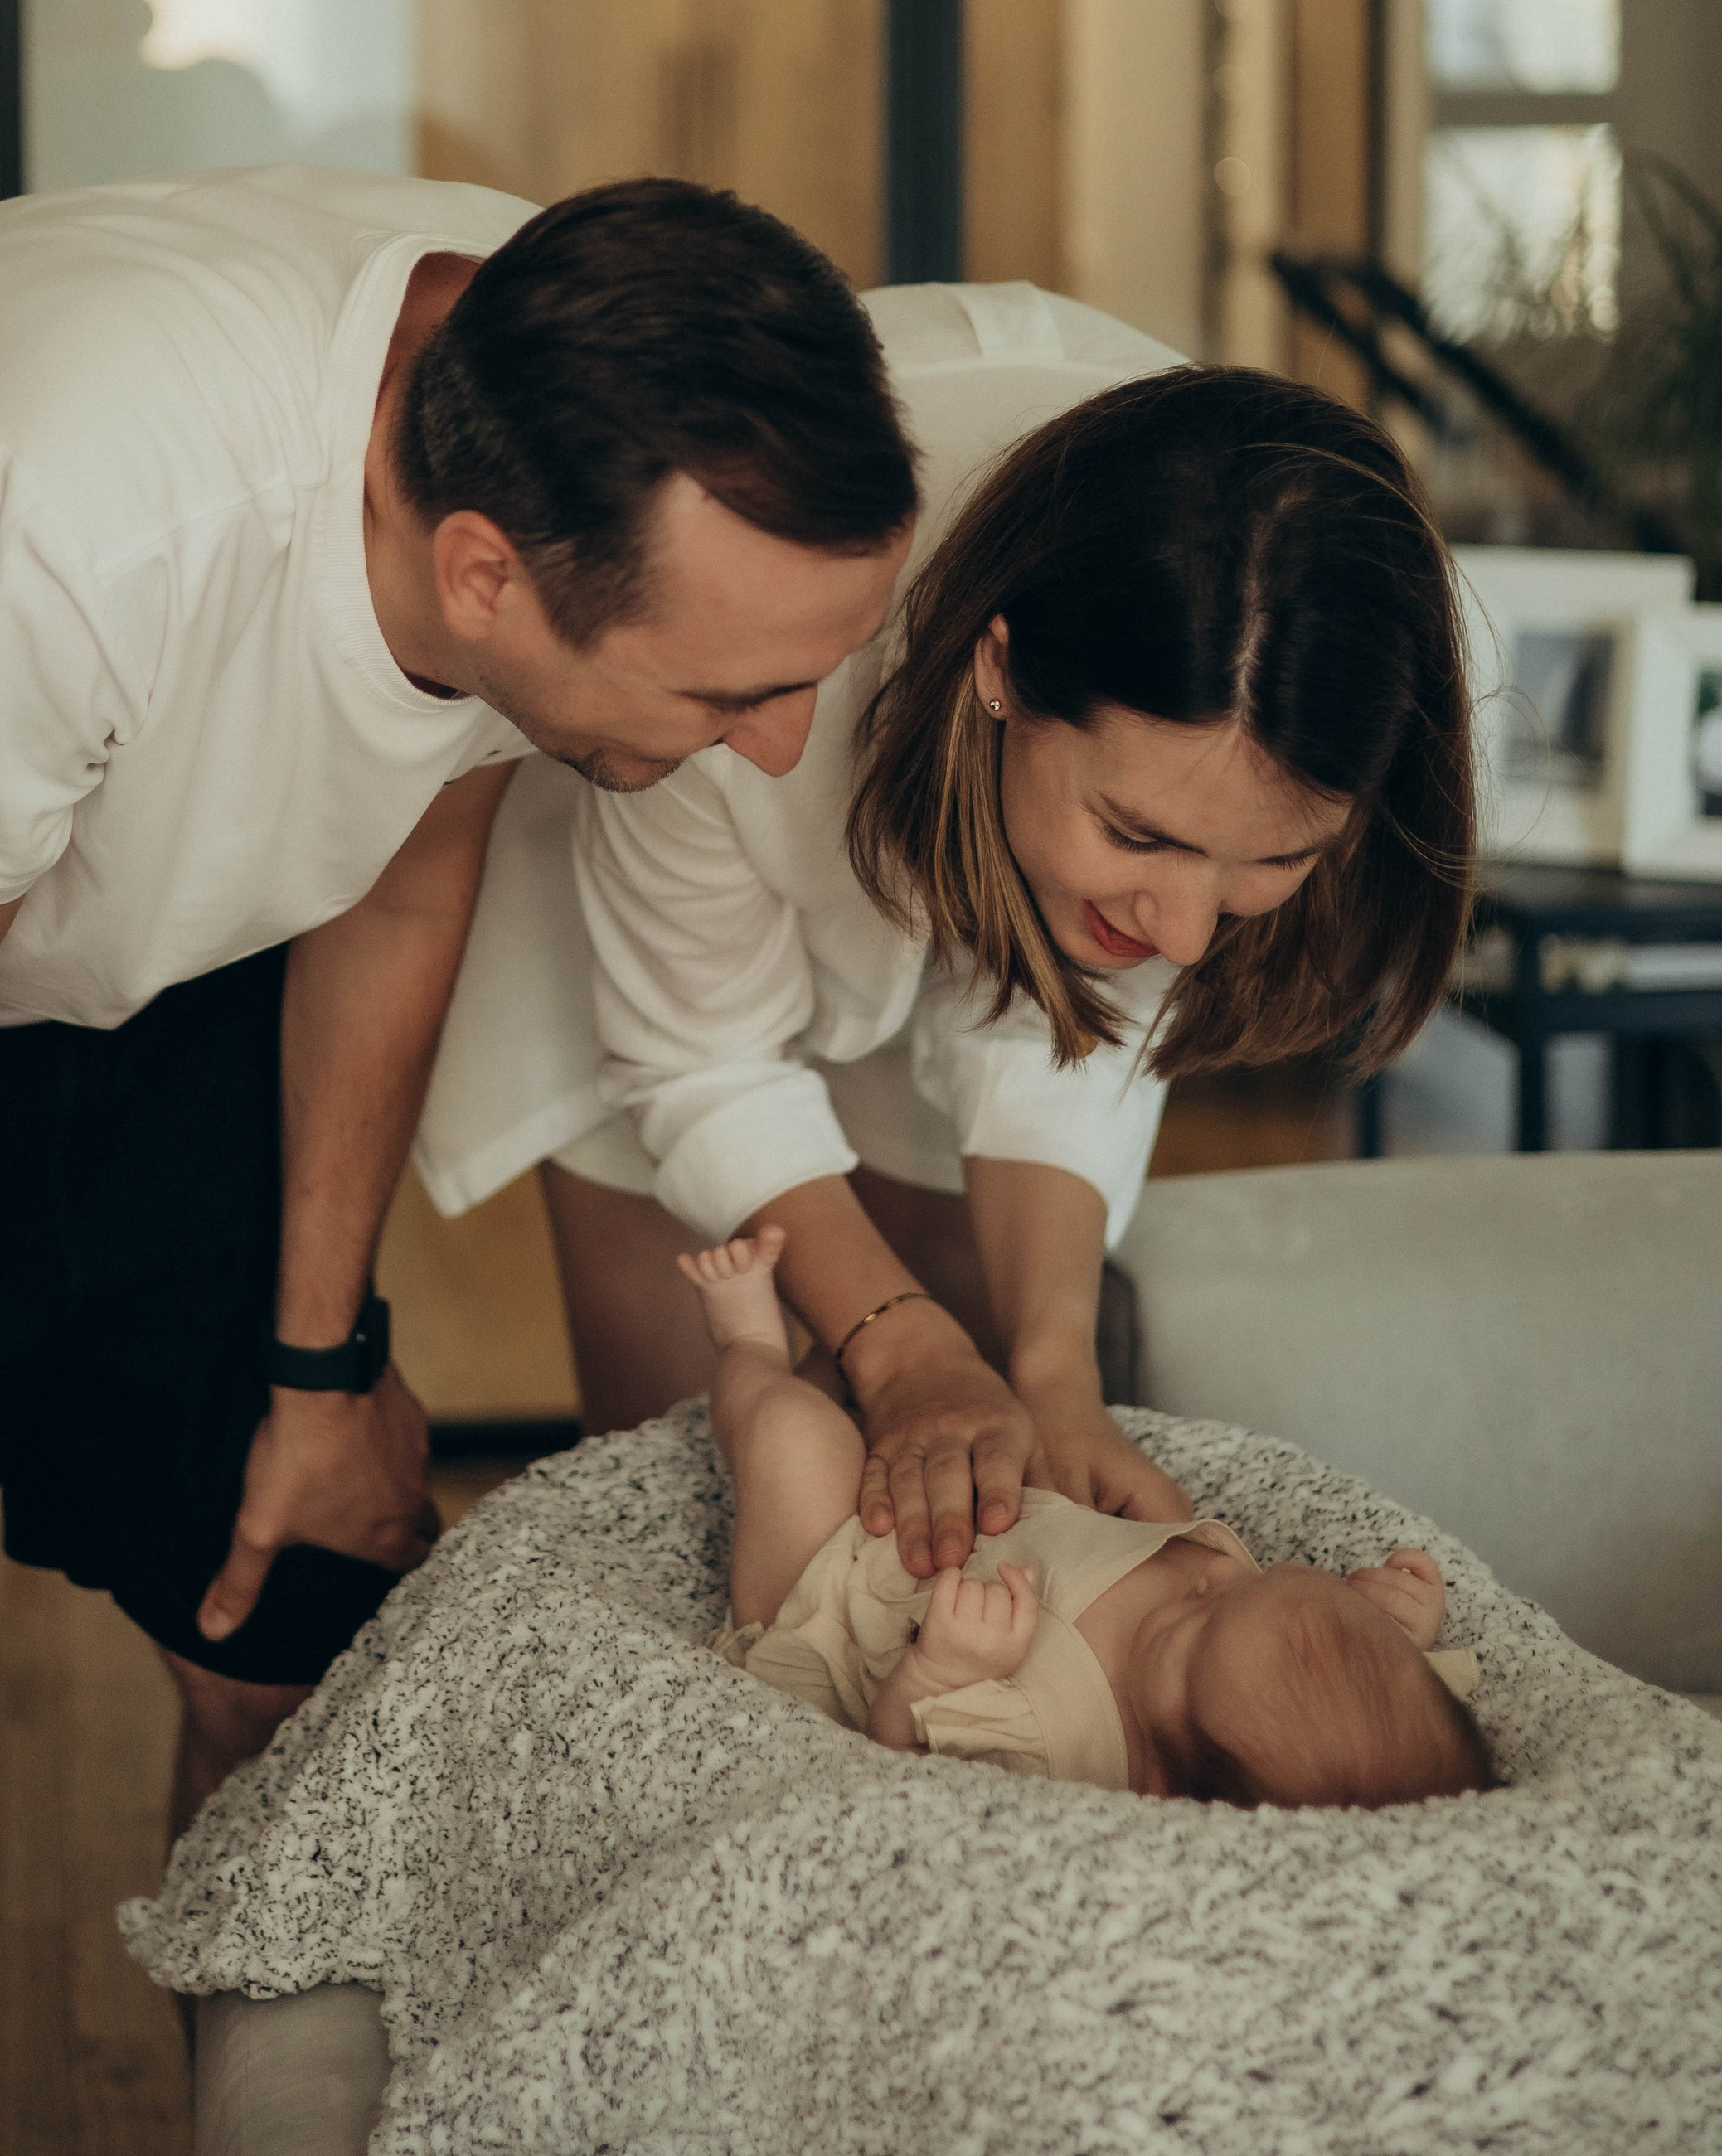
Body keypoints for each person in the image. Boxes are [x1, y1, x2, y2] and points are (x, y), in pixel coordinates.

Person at [0, 164, 920, 2156]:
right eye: (733, 694)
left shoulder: (554, 381)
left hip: (132, 907)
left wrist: (323, 1367)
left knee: (299, 1637)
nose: (776, 748)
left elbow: (406, 872)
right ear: (483, 571)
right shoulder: (71, 509)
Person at [419, 293, 1474, 1577]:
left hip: (974, 853)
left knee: (976, 1446)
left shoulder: (1297, 626)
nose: (1190, 937)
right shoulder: (749, 631)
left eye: (1278, 861)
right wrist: (893, 1336)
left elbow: (1068, 1040)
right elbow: (704, 1062)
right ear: (1001, 670)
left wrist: (1055, 1373)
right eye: (1141, 839)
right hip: (672, 916)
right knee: (692, 1508)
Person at [684, 1224, 1492, 1810]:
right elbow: (1369, 1708)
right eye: (1245, 1584)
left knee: (793, 1435)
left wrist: (936, 1673)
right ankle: (844, 1363)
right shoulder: (1287, 1671)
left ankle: (746, 1346)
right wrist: (1392, 1625)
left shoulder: (1052, 1754)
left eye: (1187, 1625)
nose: (1209, 1578)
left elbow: (890, 1780)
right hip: (974, 1504)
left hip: (838, 1595)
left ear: (1159, 1789)